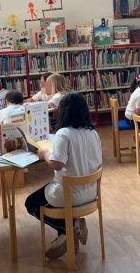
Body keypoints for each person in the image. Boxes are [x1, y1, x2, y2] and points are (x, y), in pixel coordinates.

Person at [24, 92, 103, 260]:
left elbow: (56, 164)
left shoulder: (64, 133)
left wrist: (44, 153)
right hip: (91, 193)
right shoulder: (93, 133)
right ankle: (69, 229)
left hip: (69, 194)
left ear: (64, 111)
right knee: (50, 195)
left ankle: (68, 228)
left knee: (31, 203)